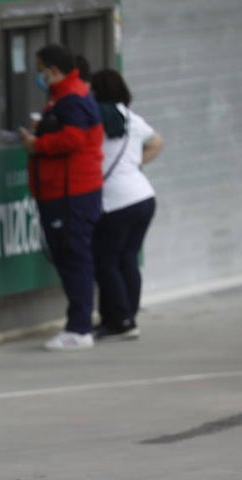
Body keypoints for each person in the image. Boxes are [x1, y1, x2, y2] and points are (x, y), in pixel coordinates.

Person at [19, 43, 105, 351]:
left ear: (53, 70)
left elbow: (74, 138)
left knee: (74, 259)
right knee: (72, 258)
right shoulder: (66, 95)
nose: (39, 76)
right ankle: (79, 324)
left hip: (71, 194)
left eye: (41, 69)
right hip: (65, 192)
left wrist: (36, 143)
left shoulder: (71, 98)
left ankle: (79, 328)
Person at [89, 68, 162, 340]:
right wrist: (135, 165)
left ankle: (121, 320)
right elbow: (157, 142)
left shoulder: (97, 119)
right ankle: (126, 315)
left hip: (116, 201)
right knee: (127, 257)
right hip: (143, 197)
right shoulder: (132, 119)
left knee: (106, 261)